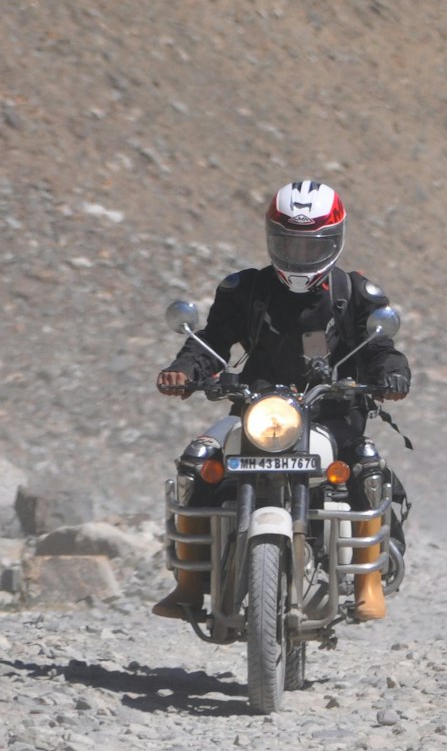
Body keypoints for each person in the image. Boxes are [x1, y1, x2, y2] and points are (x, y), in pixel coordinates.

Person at [154, 179, 411, 621]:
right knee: (197, 461)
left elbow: (379, 349)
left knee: (367, 465)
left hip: (330, 412)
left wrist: (392, 374)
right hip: (257, 410)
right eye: (290, 243)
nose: (301, 255)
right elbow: (212, 342)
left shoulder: (355, 295)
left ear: (335, 240)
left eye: (313, 246)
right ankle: (189, 584)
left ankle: (369, 585)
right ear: (272, 238)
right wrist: (186, 370)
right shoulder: (246, 291)